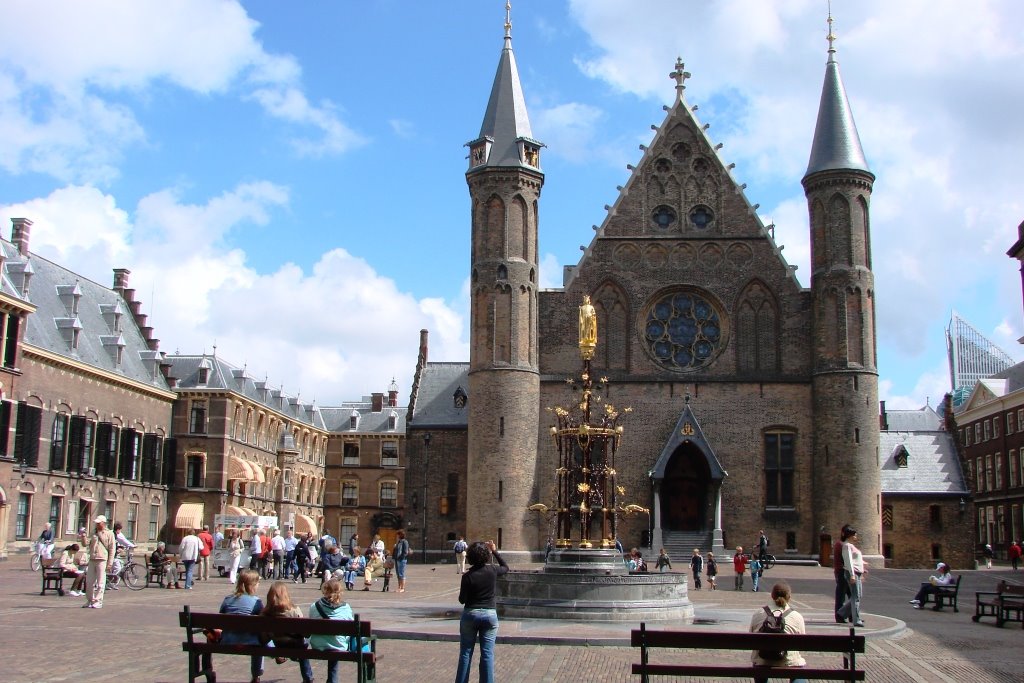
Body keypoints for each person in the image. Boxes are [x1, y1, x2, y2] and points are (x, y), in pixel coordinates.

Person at [455, 540, 508, 683]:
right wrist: (494, 551)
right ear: (486, 556)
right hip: (490, 615)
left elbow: (462, 600)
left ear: (470, 557)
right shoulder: (492, 571)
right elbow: (505, 567)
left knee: (466, 652)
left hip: (471, 614)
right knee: (487, 654)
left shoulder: (467, 576)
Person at [749, 582, 807, 683]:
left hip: (762, 662)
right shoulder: (797, 616)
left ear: (772, 595)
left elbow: (751, 637)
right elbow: (801, 643)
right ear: (789, 597)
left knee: (759, 663)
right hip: (788, 662)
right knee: (798, 669)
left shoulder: (758, 613)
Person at [218, 570, 264, 683]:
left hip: (228, 639)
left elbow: (220, 619)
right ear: (252, 585)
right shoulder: (256, 602)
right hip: (250, 641)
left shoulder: (227, 600)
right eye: (258, 583)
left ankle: (207, 668)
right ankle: (256, 675)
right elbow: (264, 623)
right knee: (261, 638)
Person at [261, 581, 311, 681]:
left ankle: (289, 656)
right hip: (296, 644)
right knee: (305, 645)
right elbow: (304, 632)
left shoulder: (266, 613)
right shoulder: (294, 610)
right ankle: (308, 678)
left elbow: (264, 636)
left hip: (278, 643)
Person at [309, 578, 356, 683]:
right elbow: (352, 628)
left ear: (325, 590)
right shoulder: (346, 608)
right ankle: (332, 680)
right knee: (335, 641)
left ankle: (328, 679)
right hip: (338, 645)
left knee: (330, 639)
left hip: (318, 644)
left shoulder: (314, 606)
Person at [836, 528, 866, 627]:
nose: (856, 537)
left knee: (858, 595)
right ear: (850, 535)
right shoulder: (847, 546)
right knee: (855, 596)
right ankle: (856, 619)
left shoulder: (852, 546)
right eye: (854, 535)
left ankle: (841, 612)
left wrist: (862, 569)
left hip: (857, 572)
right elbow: (848, 561)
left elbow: (856, 560)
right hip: (852, 573)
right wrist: (852, 574)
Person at [84, 515, 115, 608]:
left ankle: (98, 601)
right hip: (92, 559)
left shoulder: (109, 533)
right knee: (89, 582)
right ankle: (90, 600)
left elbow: (112, 549)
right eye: (96, 523)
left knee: (101, 582)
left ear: (103, 523)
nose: (97, 524)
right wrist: (83, 536)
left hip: (102, 559)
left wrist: (110, 563)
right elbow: (85, 543)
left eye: (99, 523)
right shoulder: (93, 532)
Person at [833, 525, 854, 622]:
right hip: (842, 572)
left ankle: (851, 615)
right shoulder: (841, 545)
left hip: (843, 571)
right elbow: (846, 560)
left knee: (852, 595)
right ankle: (839, 616)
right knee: (841, 596)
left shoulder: (843, 544)